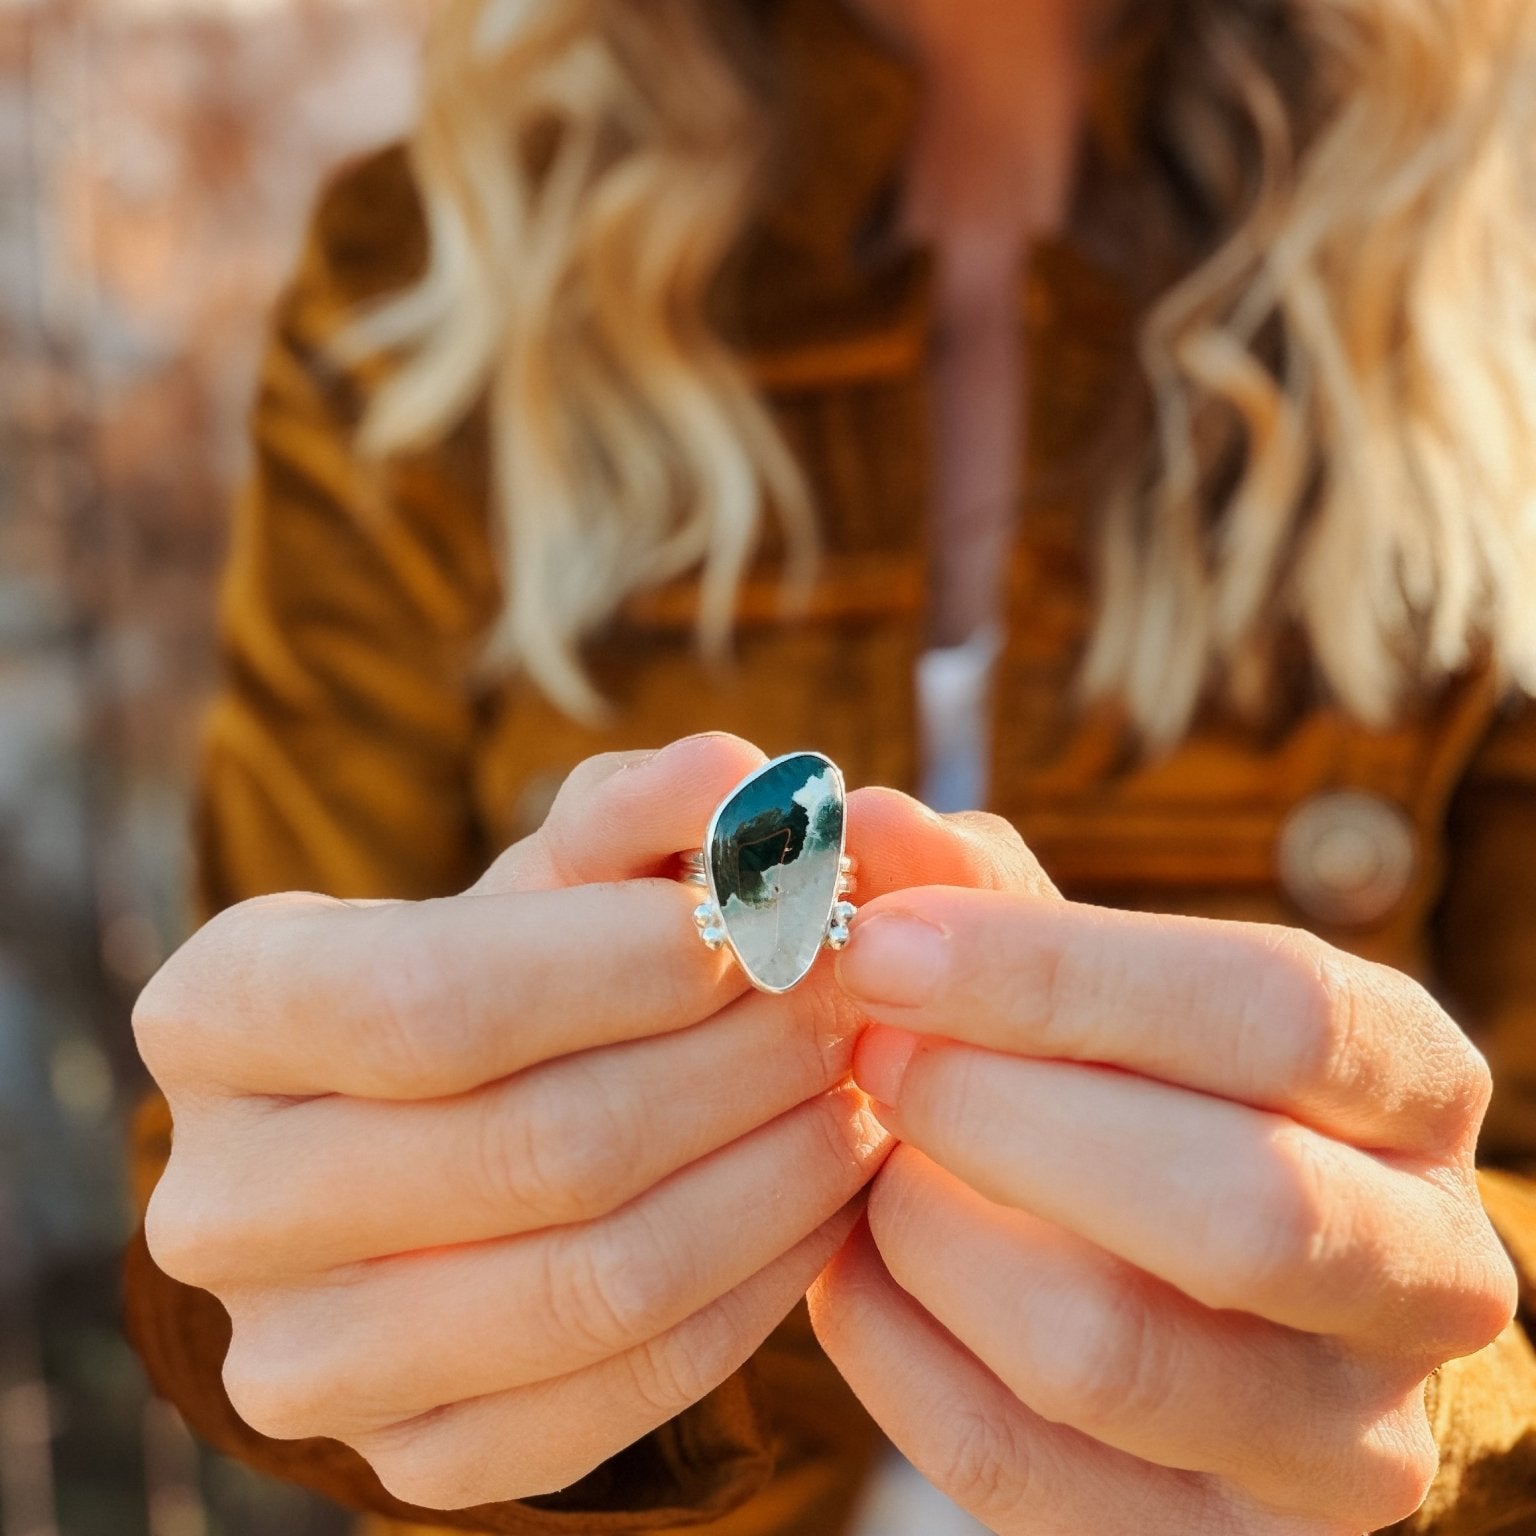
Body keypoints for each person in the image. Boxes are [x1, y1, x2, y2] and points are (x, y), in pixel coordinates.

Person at [123, 0, 1536, 1532]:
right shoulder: (432, 263)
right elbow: (221, 1203)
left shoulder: (1485, 248)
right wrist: (402, 1304)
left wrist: (1434, 1397)